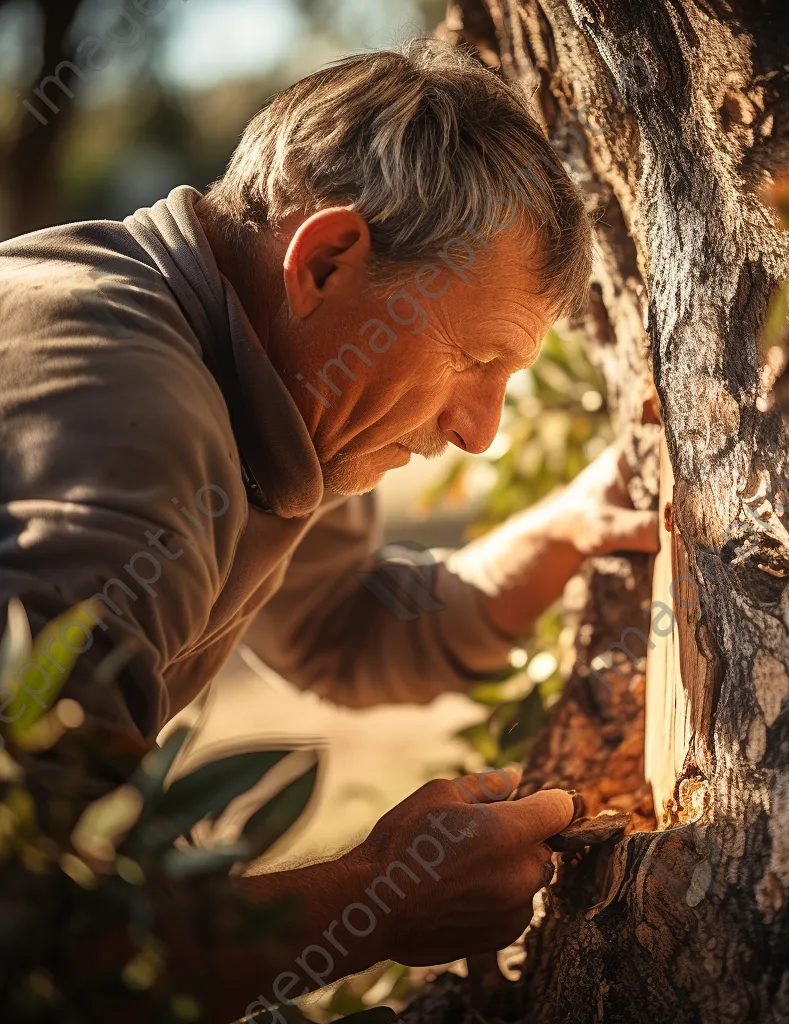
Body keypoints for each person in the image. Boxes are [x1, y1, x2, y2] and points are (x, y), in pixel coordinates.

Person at [0, 40, 657, 1017]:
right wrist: (376, 899)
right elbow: (33, 937)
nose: (480, 432)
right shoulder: (132, 427)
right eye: (474, 357)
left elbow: (338, 629)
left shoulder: (266, 391)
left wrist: (556, 532)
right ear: (327, 259)